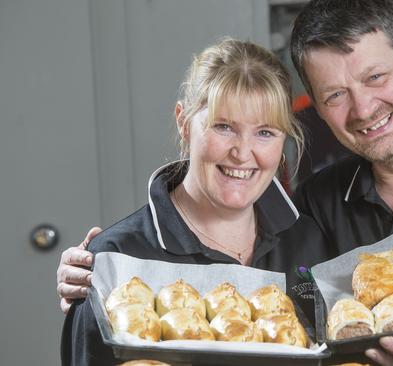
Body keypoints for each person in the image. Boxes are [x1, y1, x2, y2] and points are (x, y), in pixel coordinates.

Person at [58, 0, 393, 364]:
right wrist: (103, 276)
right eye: (335, 95)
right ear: (315, 107)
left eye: (375, 76)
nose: (363, 107)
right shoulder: (318, 205)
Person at [60, 38, 332, 365]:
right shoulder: (118, 259)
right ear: (184, 123)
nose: (243, 153)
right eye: (223, 127)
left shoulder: (309, 241)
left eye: (265, 132)